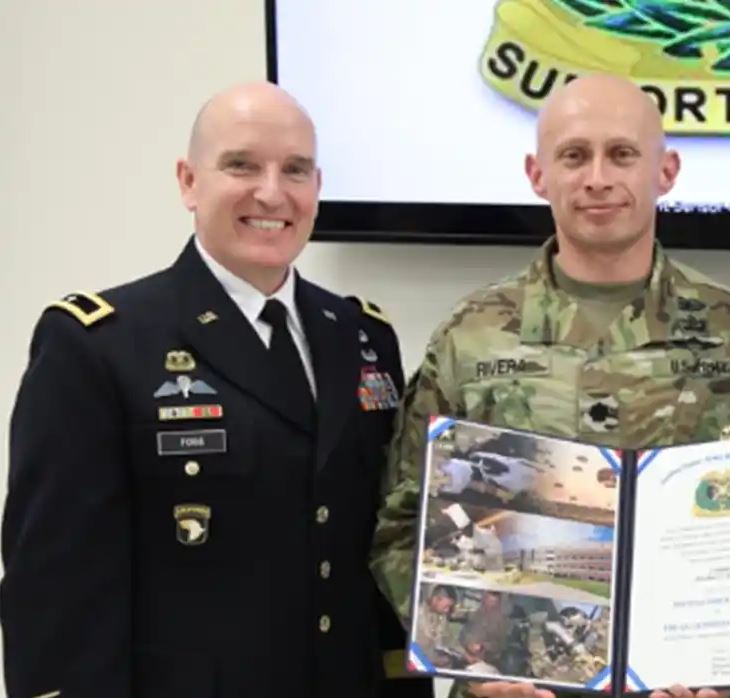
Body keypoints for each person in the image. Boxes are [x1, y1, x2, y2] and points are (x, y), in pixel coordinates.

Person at [368, 72, 730, 698]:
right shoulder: (470, 337)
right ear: (538, 174)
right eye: (573, 155)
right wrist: (472, 664)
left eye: (622, 154)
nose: (597, 178)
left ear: (665, 171)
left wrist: (728, 662)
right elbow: (404, 527)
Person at [0, 81, 431, 697]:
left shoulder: (361, 337)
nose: (272, 192)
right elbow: (55, 587)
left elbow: (378, 555)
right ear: (188, 181)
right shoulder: (98, 345)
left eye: (296, 171)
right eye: (242, 165)